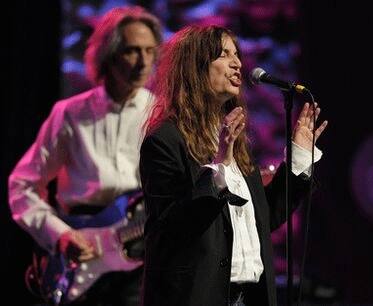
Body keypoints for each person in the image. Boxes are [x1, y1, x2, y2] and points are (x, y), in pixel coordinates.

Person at [139, 25, 328, 306]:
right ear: (196, 67)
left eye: (237, 54)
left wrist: (299, 156)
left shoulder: (235, 141)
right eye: (224, 54)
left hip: (251, 297)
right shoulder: (165, 141)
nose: (237, 62)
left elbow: (265, 218)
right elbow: (170, 229)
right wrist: (218, 170)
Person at [8, 5, 162, 306]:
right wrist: (59, 234)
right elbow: (21, 185)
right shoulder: (70, 113)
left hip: (139, 256)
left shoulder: (160, 115)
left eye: (149, 51)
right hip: (78, 250)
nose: (144, 62)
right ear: (109, 54)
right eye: (132, 51)